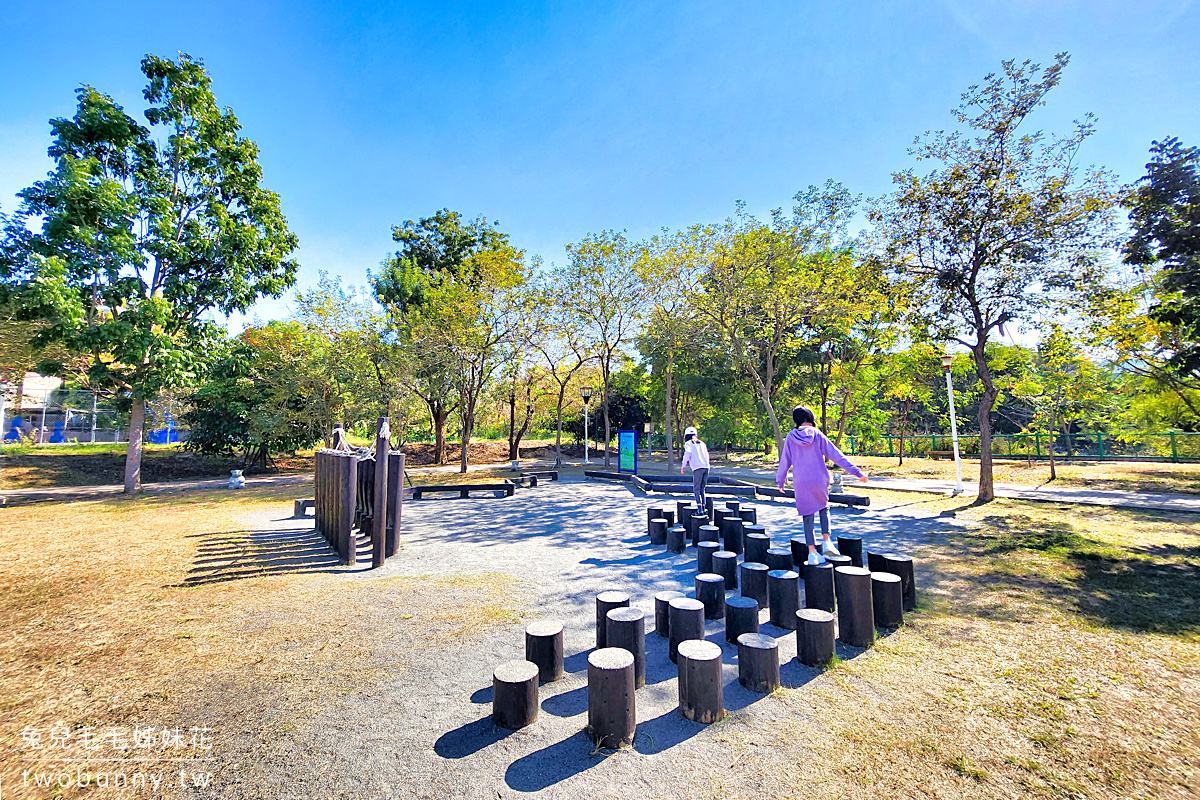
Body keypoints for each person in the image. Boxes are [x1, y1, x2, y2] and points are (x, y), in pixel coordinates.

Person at [776, 405, 867, 565]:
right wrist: (857, 472)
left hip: (801, 482)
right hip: (819, 479)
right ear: (811, 418)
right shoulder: (817, 435)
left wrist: (780, 481)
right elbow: (836, 455)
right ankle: (826, 541)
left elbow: (785, 461)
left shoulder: (791, 437)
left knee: (807, 516)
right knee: (823, 508)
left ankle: (812, 553)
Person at [680, 425, 711, 513]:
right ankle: (704, 508)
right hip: (706, 467)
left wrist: (683, 466)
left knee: (696, 489)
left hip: (697, 468)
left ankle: (699, 509)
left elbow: (687, 454)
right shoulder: (702, 443)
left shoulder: (688, 443)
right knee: (702, 489)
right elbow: (707, 455)